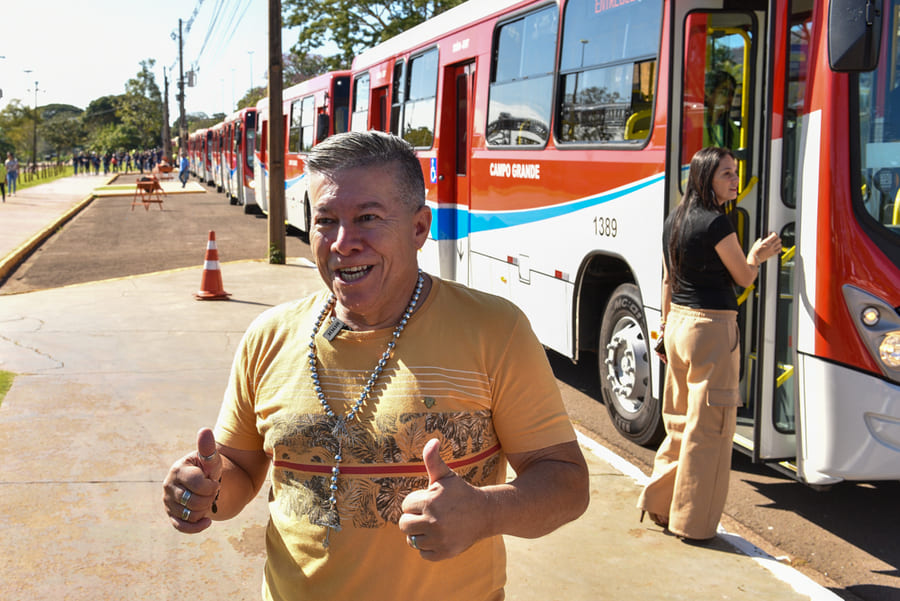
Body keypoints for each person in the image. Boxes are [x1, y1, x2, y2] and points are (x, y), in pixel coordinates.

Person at [162, 130, 590, 600]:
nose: (344, 243)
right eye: (326, 220)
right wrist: (205, 488)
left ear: (418, 228)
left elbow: (566, 482)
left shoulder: (494, 330)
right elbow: (238, 474)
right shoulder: (269, 337)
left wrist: (487, 512)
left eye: (368, 217)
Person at [637, 146, 781, 541]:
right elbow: (744, 276)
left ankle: (659, 505)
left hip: (679, 325)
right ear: (705, 178)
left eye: (735, 173)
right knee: (711, 432)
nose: (734, 180)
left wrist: (665, 330)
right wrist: (758, 253)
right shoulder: (717, 224)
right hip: (712, 331)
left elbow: (667, 280)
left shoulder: (675, 220)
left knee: (680, 423)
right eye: (726, 174)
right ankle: (694, 526)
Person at [703, 71, 740, 152]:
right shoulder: (697, 123)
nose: (730, 98)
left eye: (732, 94)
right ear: (708, 93)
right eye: (724, 92)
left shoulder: (732, 128)